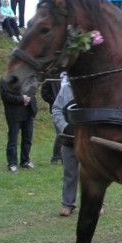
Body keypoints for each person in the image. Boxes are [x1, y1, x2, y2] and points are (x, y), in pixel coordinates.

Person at [51, 73, 78, 216]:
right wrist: (65, 126)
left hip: (89, 141)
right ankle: (68, 204)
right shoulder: (66, 89)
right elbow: (56, 109)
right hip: (69, 140)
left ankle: (96, 203)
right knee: (70, 172)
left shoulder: (93, 87)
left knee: (94, 173)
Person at [0, 77, 38, 172]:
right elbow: (5, 95)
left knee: (27, 138)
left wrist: (34, 106)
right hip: (15, 114)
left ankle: (25, 161)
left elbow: (33, 90)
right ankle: (12, 163)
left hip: (28, 113)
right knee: (13, 140)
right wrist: (21, 99)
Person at [41, 76, 63, 165]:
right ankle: (55, 157)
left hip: (68, 109)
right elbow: (44, 93)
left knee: (67, 133)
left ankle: (63, 157)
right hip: (57, 110)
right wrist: (55, 101)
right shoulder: (51, 76)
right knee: (60, 134)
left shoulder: (67, 74)